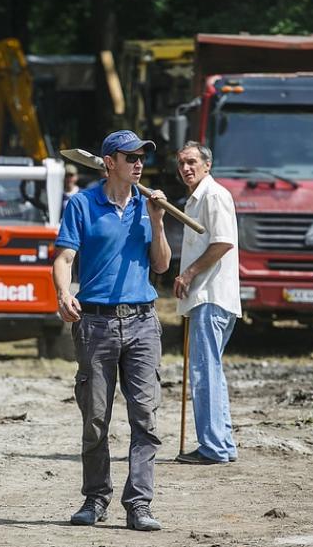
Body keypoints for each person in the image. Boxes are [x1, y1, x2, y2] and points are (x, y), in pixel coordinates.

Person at [52, 130, 171, 531]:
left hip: (142, 322)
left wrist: (157, 222)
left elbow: (161, 265)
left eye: (142, 157)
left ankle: (139, 504)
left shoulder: (147, 205)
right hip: (96, 323)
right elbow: (65, 257)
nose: (139, 163)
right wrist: (64, 293)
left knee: (145, 419)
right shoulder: (82, 204)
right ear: (109, 162)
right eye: (130, 156)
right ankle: (95, 498)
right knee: (95, 419)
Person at [173, 141, 242, 465]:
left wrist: (187, 275)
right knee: (210, 370)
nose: (186, 168)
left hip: (210, 296)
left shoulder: (214, 195)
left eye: (191, 162)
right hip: (211, 298)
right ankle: (222, 445)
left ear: (207, 165)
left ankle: (213, 448)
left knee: (205, 372)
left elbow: (223, 242)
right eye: (182, 164)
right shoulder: (197, 198)